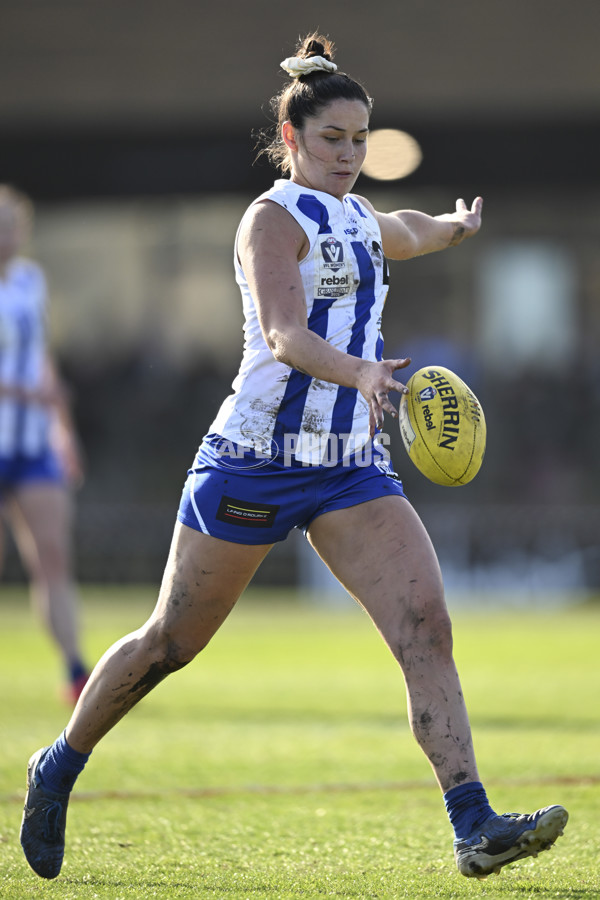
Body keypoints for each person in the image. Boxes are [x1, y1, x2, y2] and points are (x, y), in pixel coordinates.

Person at [20, 34, 568, 881]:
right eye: (332, 140)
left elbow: (403, 230)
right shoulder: (270, 220)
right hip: (255, 458)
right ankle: (57, 765)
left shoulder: (355, 214)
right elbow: (282, 333)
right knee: (170, 642)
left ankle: (473, 825)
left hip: (350, 463)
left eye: (359, 140)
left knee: (427, 625)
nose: (349, 155)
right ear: (293, 139)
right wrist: (359, 371)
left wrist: (455, 227)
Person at [0, 185, 88, 704]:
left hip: (32, 444)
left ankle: (75, 670)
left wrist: (63, 428)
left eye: (14, 227)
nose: (8, 237)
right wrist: (22, 391)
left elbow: (42, 362)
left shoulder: (31, 282)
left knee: (52, 557)